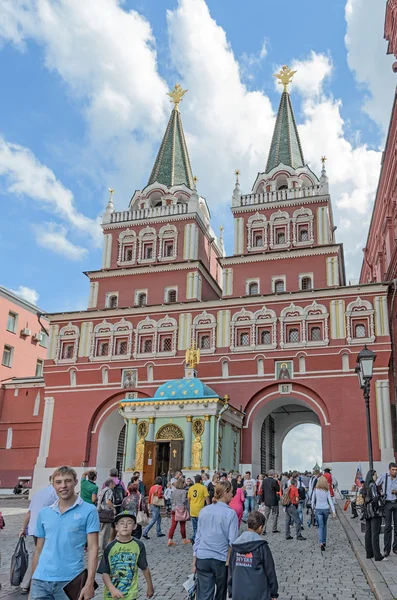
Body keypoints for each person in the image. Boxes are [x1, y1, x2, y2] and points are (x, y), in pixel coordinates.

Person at [30, 466, 99, 600]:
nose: (63, 486)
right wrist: (33, 583)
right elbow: (39, 549)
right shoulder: (44, 513)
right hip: (41, 580)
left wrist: (89, 582)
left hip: (70, 580)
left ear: (75, 482)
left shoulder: (89, 510)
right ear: (53, 485)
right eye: (58, 482)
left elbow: (93, 548)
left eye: (67, 481)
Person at [193, 481, 238, 600]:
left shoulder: (204, 511)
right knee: (220, 594)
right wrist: (229, 560)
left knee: (203, 594)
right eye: (231, 492)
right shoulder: (230, 513)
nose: (232, 495)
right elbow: (233, 541)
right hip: (220, 558)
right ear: (225, 493)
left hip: (202, 556)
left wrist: (195, 558)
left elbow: (198, 537)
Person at [98, 511, 154, 600]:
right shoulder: (110, 547)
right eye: (121, 523)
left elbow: (145, 568)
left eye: (129, 523)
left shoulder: (139, 545)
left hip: (130, 594)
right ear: (116, 526)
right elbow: (105, 573)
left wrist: (150, 586)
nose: (125, 526)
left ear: (135, 526)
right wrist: (112, 590)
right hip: (110, 595)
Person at [18, 477, 58, 593]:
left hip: (34, 528)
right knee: (41, 554)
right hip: (46, 529)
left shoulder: (39, 493)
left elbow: (29, 512)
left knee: (39, 553)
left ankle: (32, 582)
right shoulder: (55, 494)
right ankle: (29, 583)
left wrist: (23, 528)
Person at [228, 511, 278, 600]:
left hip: (239, 592)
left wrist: (231, 590)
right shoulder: (262, 547)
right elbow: (270, 571)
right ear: (260, 527)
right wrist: (273, 593)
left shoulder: (236, 546)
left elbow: (231, 569)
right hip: (259, 593)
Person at [362, 469, 385, 561]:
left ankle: (369, 553)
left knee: (368, 533)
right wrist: (381, 496)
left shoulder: (365, 486)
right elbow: (375, 498)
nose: (377, 476)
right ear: (372, 476)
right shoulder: (373, 485)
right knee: (375, 533)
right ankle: (377, 555)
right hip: (374, 511)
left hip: (367, 511)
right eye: (375, 475)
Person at [376, 462, 397, 556]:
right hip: (387, 503)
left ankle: (395, 547)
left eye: (396, 470)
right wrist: (381, 493)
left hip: (396, 502)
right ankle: (386, 549)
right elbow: (376, 484)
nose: (395, 471)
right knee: (388, 526)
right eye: (393, 469)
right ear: (389, 469)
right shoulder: (384, 476)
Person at [312, 475, 336, 551]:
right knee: (325, 525)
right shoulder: (327, 490)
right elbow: (330, 501)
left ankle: (321, 542)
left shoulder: (316, 490)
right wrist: (333, 511)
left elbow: (313, 500)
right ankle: (324, 541)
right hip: (326, 509)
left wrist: (313, 508)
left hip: (318, 509)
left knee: (320, 526)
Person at [168, 477, 190, 546]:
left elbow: (171, 500)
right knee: (182, 525)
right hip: (180, 509)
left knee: (173, 525)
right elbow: (183, 501)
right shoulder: (183, 491)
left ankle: (169, 540)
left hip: (174, 508)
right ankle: (184, 539)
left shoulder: (173, 491)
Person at [188, 474, 209, 543]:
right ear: (200, 480)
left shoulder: (191, 488)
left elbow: (188, 499)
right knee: (201, 526)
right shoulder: (203, 487)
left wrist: (190, 505)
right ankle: (195, 538)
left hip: (193, 509)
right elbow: (206, 497)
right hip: (200, 509)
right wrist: (209, 506)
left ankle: (195, 537)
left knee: (195, 527)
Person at [98, 479, 116, 560]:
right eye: (113, 484)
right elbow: (108, 501)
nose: (114, 485)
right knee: (104, 533)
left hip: (100, 513)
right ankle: (101, 552)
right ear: (111, 484)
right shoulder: (109, 491)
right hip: (106, 514)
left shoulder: (102, 490)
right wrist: (113, 508)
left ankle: (100, 551)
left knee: (101, 532)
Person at [261, 470, 280, 535]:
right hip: (274, 500)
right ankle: (274, 529)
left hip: (266, 500)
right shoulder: (274, 481)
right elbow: (278, 489)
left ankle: (263, 529)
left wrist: (262, 500)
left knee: (266, 516)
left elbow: (262, 491)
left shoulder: (264, 481)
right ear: (273, 474)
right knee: (275, 515)